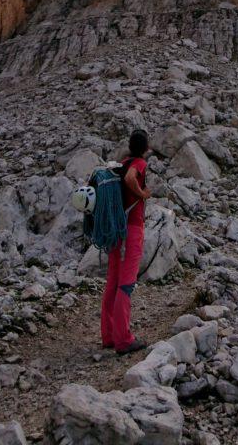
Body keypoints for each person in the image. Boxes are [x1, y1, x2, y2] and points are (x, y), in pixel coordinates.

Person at [100, 129, 151, 354]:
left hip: (116, 230)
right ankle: (124, 339)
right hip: (131, 229)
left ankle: (109, 335)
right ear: (146, 147)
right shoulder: (138, 163)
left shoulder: (121, 162)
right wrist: (141, 194)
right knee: (126, 283)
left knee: (113, 281)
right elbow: (131, 178)